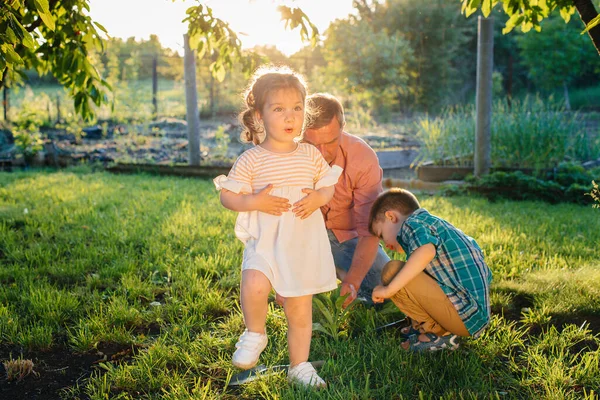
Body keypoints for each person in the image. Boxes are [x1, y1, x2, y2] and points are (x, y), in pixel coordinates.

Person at [213, 66, 342, 387]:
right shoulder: (252, 159)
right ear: (259, 115)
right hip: (266, 240)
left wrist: (318, 199)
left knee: (300, 310)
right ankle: (255, 331)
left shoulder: (310, 154)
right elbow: (228, 196)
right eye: (279, 109)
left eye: (297, 108)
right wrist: (253, 201)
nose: (290, 118)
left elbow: (327, 185)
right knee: (255, 282)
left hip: (300, 243)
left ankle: (299, 366)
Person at [368, 188, 492, 351]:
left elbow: (426, 252)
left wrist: (389, 290)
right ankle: (426, 325)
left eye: (382, 235)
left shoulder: (411, 224)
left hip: (464, 316)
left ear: (391, 217)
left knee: (392, 271)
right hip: (473, 314)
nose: (386, 244)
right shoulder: (431, 223)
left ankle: (440, 333)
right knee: (409, 270)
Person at [303, 93, 389, 307]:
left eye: (330, 142)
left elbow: (369, 230)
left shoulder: (362, 158)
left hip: (347, 237)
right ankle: (317, 273)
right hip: (302, 236)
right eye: (312, 144)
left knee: (384, 285)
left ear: (342, 128)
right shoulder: (287, 154)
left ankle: (336, 271)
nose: (321, 154)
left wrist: (352, 280)